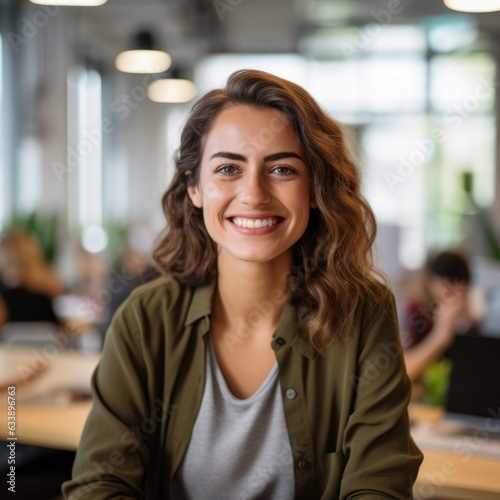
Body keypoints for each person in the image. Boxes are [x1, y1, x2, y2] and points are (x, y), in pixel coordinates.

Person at [63, 70, 422, 499]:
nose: (253, 194)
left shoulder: (361, 310)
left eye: (283, 169)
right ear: (194, 186)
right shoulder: (146, 318)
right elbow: (99, 484)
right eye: (229, 168)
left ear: (314, 188)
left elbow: (379, 486)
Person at [402, 250, 483, 382]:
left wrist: (464, 327)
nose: (449, 292)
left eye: (456, 284)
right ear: (429, 281)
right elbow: (404, 371)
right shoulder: (415, 311)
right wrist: (441, 334)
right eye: (443, 283)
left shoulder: (472, 316)